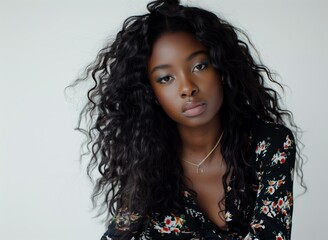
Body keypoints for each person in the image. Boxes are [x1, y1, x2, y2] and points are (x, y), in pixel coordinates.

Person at [70, 0, 305, 239]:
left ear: (222, 68)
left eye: (199, 66)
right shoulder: (148, 161)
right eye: (165, 78)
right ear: (150, 94)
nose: (187, 88)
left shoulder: (269, 144)